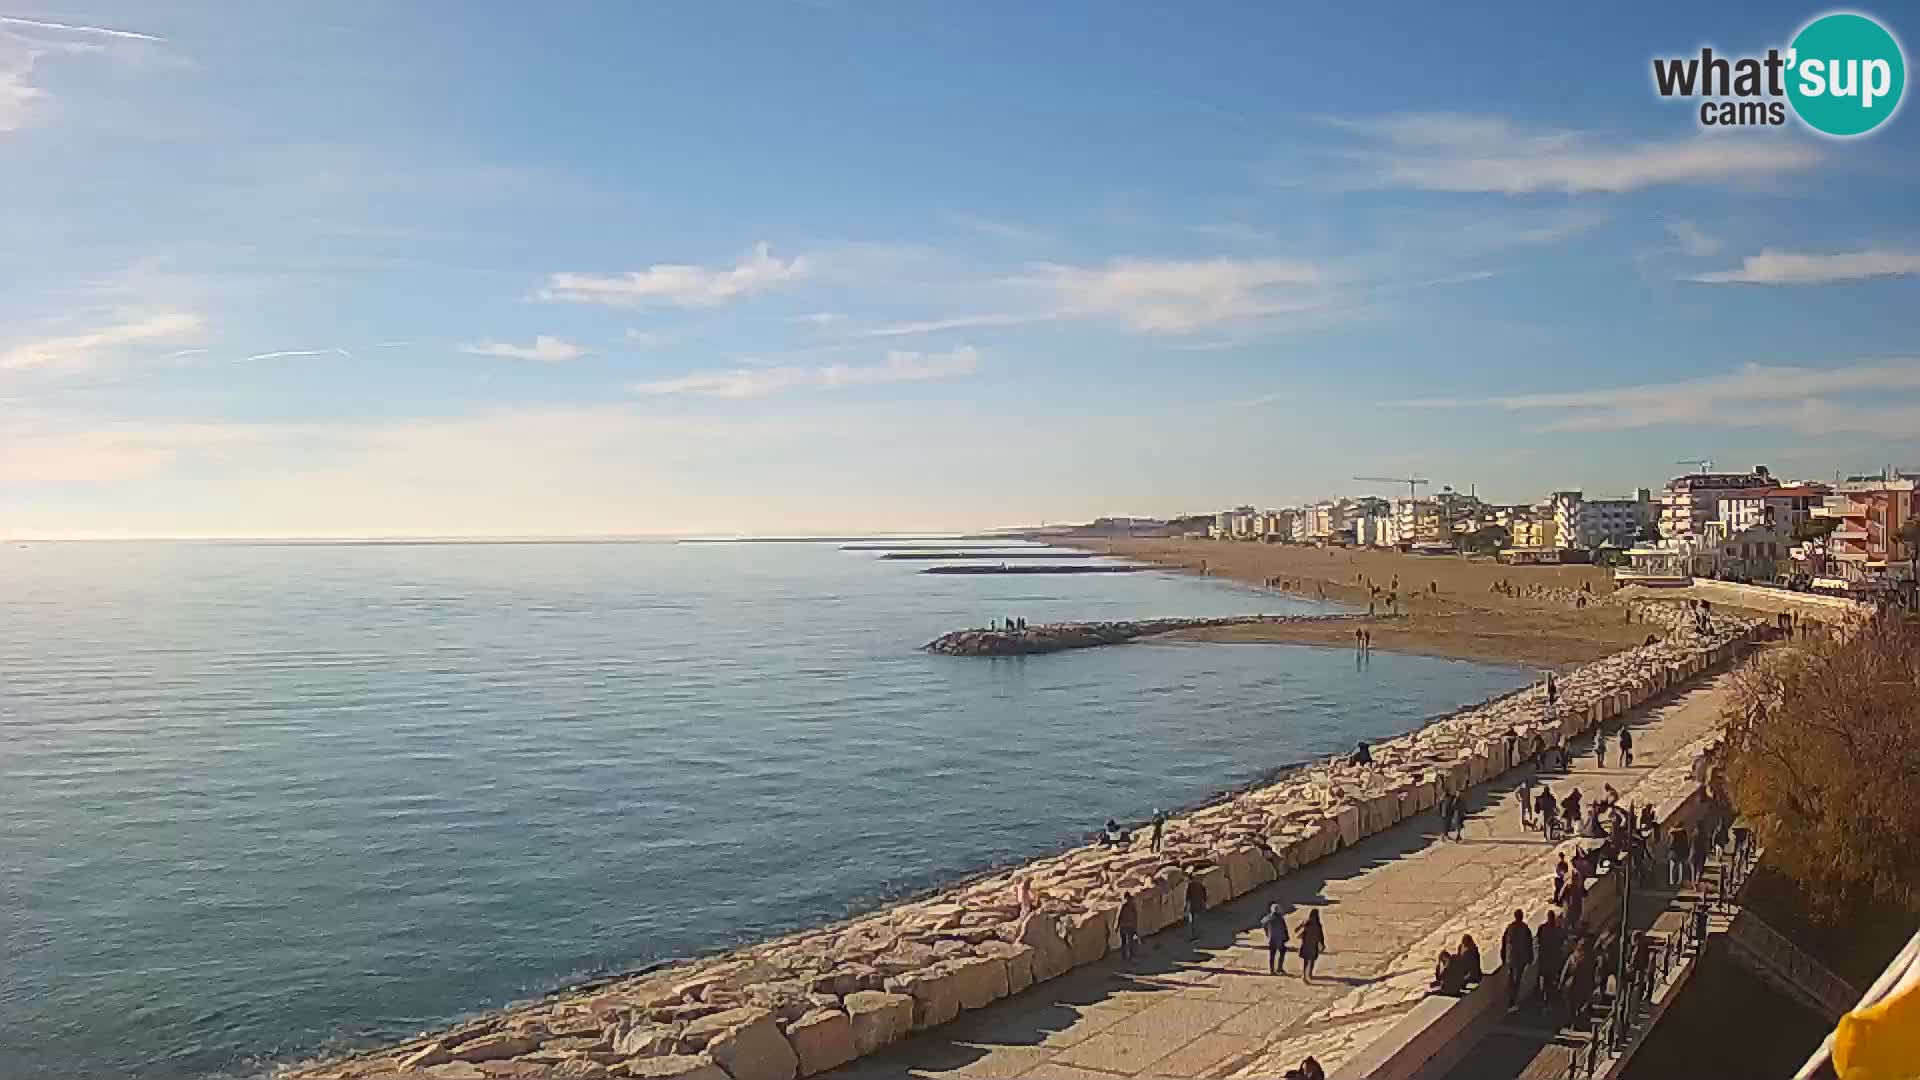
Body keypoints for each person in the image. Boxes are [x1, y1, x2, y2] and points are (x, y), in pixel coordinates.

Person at [1536, 911, 1566, 1006]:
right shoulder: (1558, 929)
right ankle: (1549, 999)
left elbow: (1538, 941)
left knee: (1544, 978)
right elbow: (1562, 941)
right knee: (1551, 979)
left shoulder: (1542, 928)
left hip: (1545, 957)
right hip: (1553, 958)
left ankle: (1544, 998)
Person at [1261, 903, 1289, 975]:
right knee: (1282, 952)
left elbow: (1263, 922)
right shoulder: (1280, 918)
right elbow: (1284, 929)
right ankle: (1279, 968)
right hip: (1280, 939)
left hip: (1272, 939)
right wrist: (1286, 937)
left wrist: (1267, 932)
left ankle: (1272, 970)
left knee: (1272, 954)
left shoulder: (1269, 917)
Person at [1298, 910, 1326, 983]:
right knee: (1312, 961)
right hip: (1313, 945)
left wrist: (1301, 926)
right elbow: (1320, 936)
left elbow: (1298, 930)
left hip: (1306, 944)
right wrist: (1322, 944)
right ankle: (1309, 974)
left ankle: (1304, 975)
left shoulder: (1307, 922)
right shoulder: (1318, 924)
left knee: (1306, 961)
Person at [1117, 896, 1141, 962]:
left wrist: (1117, 926)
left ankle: (1125, 956)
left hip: (1124, 926)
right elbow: (1135, 917)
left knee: (1124, 942)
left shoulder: (1123, 906)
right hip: (1129, 926)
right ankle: (1129, 956)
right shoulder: (1132, 906)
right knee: (1129, 941)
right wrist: (1135, 927)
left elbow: (1119, 916)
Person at [1186, 875, 1207, 940]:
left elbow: (1188, 897)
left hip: (1191, 906)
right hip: (1198, 905)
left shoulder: (1190, 886)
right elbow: (1204, 896)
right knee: (1196, 921)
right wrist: (1204, 904)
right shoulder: (1201, 885)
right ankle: (1196, 935)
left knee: (1191, 922)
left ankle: (1192, 936)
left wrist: (1187, 906)